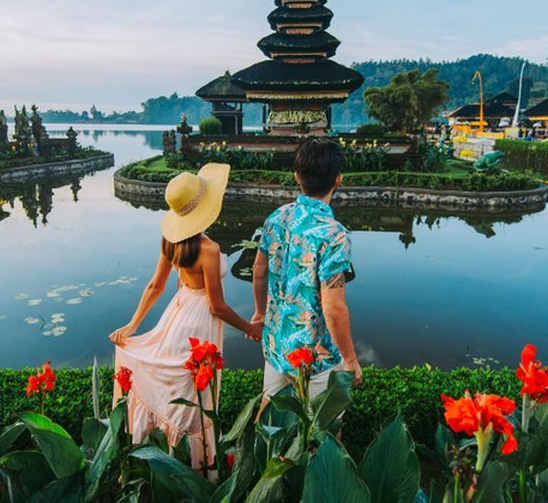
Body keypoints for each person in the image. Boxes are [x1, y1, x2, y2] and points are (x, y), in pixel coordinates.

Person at [110, 163, 260, 467]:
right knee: (196, 392)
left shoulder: (171, 241)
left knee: (180, 380)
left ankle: (169, 454)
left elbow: (155, 286)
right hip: (201, 321)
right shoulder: (209, 249)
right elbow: (217, 306)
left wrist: (133, 324)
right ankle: (198, 466)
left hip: (177, 314)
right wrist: (250, 327)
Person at [251, 138, 362, 404]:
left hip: (277, 343)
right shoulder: (334, 235)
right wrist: (350, 359)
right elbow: (333, 307)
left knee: (271, 422)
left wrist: (260, 312)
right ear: (338, 180)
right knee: (325, 433)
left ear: (297, 176)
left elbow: (258, 270)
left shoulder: (276, 218)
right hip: (316, 354)